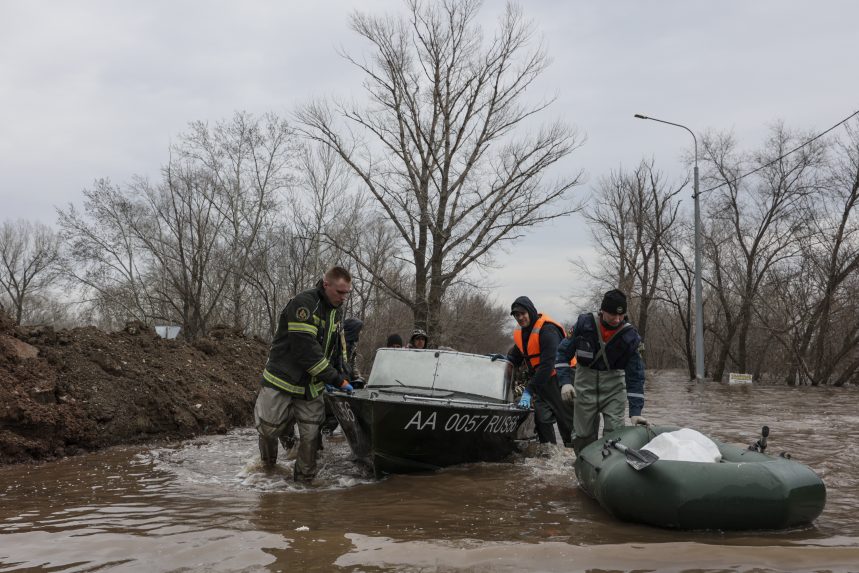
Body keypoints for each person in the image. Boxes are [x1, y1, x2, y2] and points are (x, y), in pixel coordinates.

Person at [253, 266, 353, 482]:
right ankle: (266, 470)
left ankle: (304, 484)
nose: (344, 298)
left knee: (310, 435)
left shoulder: (337, 309)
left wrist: (345, 374)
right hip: (282, 379)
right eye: (340, 292)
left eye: (347, 293)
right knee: (269, 428)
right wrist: (335, 378)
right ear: (326, 285)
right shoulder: (304, 304)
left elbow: (337, 346)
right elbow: (305, 351)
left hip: (311, 384)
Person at [565, 288, 646, 454]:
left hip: (614, 387)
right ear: (602, 311)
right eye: (612, 315)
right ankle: (583, 465)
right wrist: (565, 383)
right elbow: (561, 354)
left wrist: (635, 412)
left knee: (615, 433)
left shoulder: (630, 336)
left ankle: (607, 466)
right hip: (584, 384)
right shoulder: (583, 324)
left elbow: (636, 376)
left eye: (621, 315)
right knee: (582, 436)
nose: (617, 319)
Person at [505, 296, 574, 447]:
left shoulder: (548, 330)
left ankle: (573, 457)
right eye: (516, 315)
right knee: (542, 419)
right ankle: (549, 456)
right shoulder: (523, 332)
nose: (520, 318)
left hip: (562, 379)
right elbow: (517, 354)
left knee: (566, 422)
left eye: (522, 313)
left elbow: (548, 365)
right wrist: (505, 360)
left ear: (530, 311)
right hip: (542, 382)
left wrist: (528, 391)